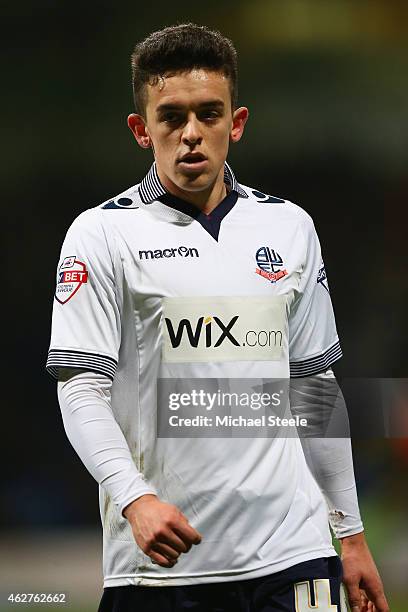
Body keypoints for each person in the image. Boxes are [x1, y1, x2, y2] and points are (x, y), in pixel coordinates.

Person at [46, 23, 389, 612]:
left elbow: (314, 389)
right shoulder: (102, 233)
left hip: (296, 556)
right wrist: (136, 501)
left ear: (237, 123)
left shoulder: (288, 227)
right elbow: (80, 392)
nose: (191, 135)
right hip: (163, 567)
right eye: (171, 117)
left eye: (209, 114)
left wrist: (349, 534)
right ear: (141, 130)